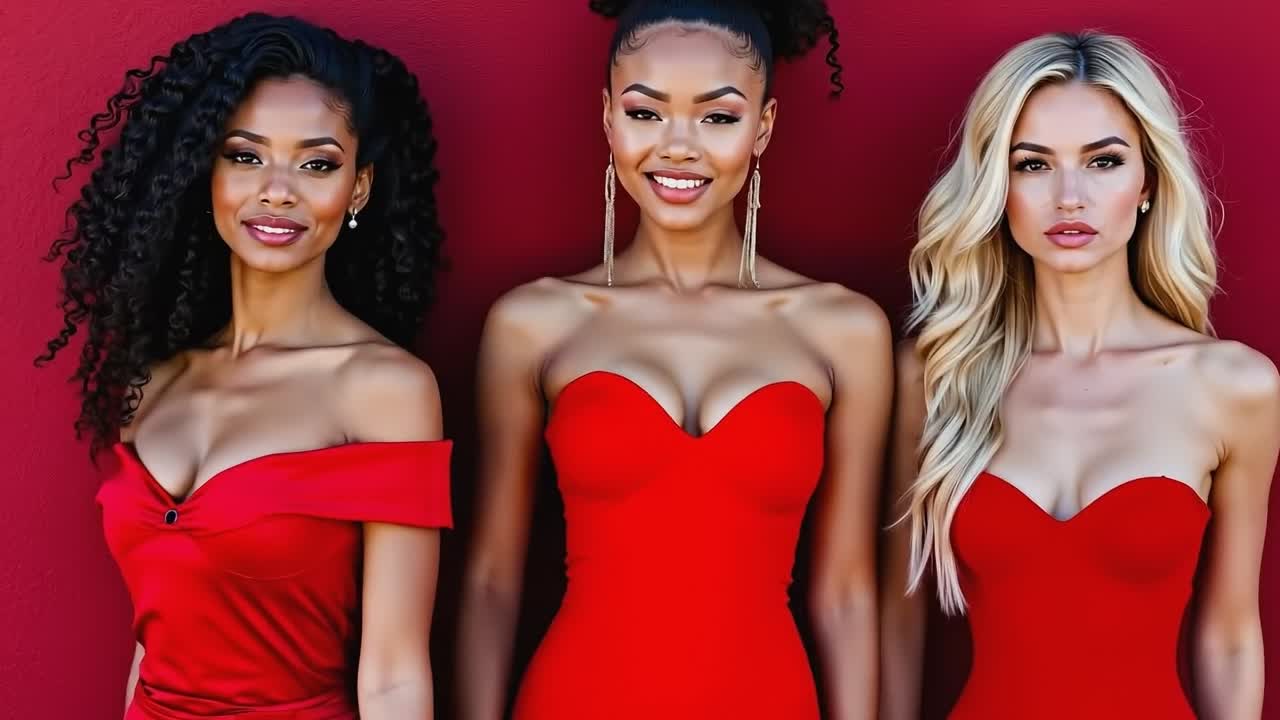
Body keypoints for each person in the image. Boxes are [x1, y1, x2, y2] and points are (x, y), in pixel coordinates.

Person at [457, 2, 891, 718]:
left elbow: (845, 593)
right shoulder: (532, 325)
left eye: (717, 118)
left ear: (764, 127)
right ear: (606, 119)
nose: (677, 146)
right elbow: (492, 582)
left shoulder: (843, 330)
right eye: (645, 113)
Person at [37, 14, 452, 719]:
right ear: (206, 171)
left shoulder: (387, 390)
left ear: (357, 188)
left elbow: (392, 675)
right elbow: (150, 648)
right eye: (245, 155)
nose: (278, 189)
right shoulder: (155, 381)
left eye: (317, 163)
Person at [879, 31, 1280, 720]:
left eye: (1103, 162)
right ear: (997, 188)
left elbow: (1231, 635)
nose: (1070, 196)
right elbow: (899, 622)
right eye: (1032, 165)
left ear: (1148, 181)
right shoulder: (936, 374)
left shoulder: (1233, 388)